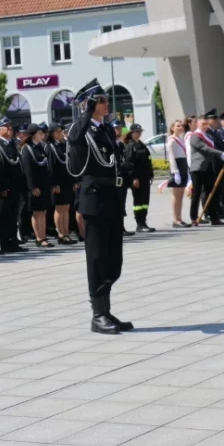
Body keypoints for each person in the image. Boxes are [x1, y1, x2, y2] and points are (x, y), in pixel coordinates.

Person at [67, 79, 132, 335]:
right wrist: (85, 111)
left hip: (112, 197)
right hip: (94, 199)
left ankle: (106, 309)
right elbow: (73, 140)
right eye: (101, 100)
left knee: (112, 257)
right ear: (91, 104)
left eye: (105, 100)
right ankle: (97, 315)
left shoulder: (104, 130)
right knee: (96, 258)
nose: (106, 104)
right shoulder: (80, 128)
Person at [187, 111, 224, 227]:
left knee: (211, 193)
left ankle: (214, 217)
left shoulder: (207, 135)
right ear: (197, 124)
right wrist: (222, 153)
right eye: (203, 124)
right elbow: (205, 148)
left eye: (206, 124)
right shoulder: (194, 136)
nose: (205, 126)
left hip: (208, 167)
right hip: (198, 168)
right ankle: (193, 218)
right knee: (196, 194)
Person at [0, 116, 28, 253]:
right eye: (6, 126)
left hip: (15, 186)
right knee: (4, 216)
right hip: (5, 187)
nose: (10, 129)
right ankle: (5, 243)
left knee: (13, 214)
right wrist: (1, 187)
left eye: (10, 126)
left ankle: (13, 241)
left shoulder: (12, 144)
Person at [21, 123, 52, 248]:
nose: (42, 134)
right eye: (40, 133)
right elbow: (27, 170)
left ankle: (43, 236)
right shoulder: (27, 148)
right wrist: (32, 186)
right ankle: (39, 238)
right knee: (37, 212)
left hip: (44, 184)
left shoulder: (40, 147)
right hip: (35, 185)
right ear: (33, 134)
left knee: (43, 211)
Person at [46, 123, 76, 244]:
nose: (60, 133)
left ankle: (66, 233)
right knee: (59, 208)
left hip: (67, 180)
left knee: (66, 208)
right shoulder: (50, 146)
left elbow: (69, 164)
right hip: (58, 182)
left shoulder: (64, 145)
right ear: (52, 133)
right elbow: (50, 167)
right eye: (57, 131)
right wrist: (54, 184)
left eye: (60, 131)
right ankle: (61, 234)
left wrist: (73, 180)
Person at [123, 124, 155, 233]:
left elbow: (148, 160)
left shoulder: (141, 145)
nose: (139, 133)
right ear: (131, 133)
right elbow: (129, 163)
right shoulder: (130, 146)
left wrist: (150, 174)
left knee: (145, 201)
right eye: (136, 131)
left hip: (145, 177)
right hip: (137, 178)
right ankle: (139, 224)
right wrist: (133, 178)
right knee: (138, 202)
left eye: (140, 131)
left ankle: (143, 222)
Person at [165, 120, 190, 228]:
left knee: (180, 195)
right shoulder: (171, 140)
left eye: (181, 126)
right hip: (177, 167)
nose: (180, 127)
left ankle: (179, 218)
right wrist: (175, 172)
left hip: (183, 165)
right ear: (172, 128)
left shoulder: (181, 139)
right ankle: (175, 219)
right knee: (176, 195)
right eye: (178, 126)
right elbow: (171, 157)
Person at [15, 123, 33, 244]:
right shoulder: (16, 145)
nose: (24, 135)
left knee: (28, 207)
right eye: (22, 133)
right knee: (21, 209)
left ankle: (28, 230)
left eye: (26, 133)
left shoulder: (27, 145)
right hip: (19, 181)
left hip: (26, 181)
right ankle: (22, 232)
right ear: (18, 134)